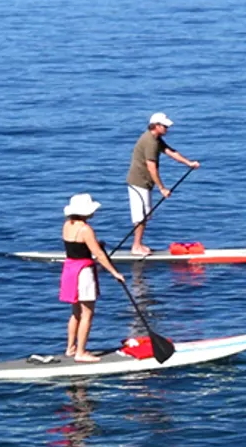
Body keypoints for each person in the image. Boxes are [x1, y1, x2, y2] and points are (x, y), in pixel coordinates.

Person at [59, 193, 125, 362]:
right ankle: (81, 352)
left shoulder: (67, 225)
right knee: (87, 313)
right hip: (83, 272)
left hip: (69, 271)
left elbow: (77, 247)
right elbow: (99, 255)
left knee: (75, 313)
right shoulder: (86, 229)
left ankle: (70, 348)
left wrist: (95, 245)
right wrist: (115, 272)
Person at [125, 112, 201, 256]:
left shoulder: (156, 139)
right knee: (140, 216)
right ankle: (136, 246)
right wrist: (162, 188)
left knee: (146, 215)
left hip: (145, 183)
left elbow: (170, 151)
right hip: (138, 182)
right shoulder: (150, 142)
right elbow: (151, 166)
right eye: (165, 126)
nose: (167, 129)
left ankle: (138, 244)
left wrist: (188, 163)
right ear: (156, 126)